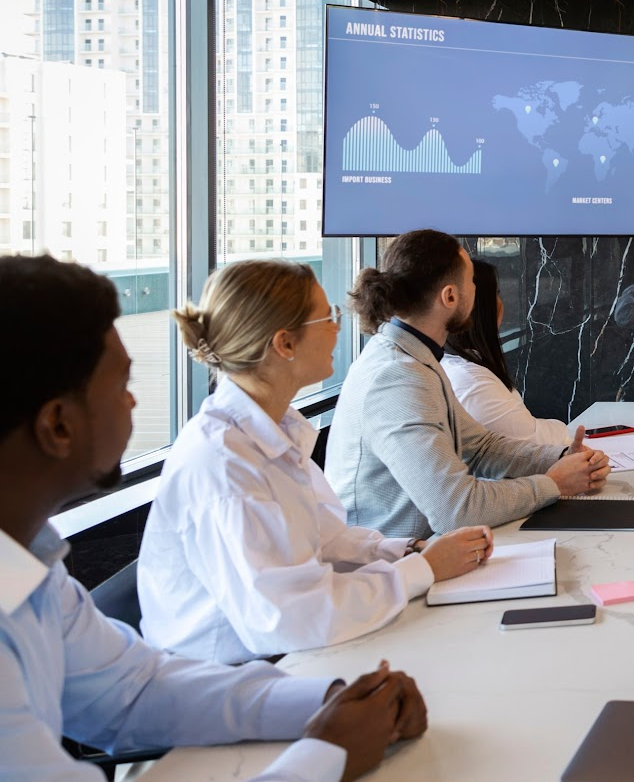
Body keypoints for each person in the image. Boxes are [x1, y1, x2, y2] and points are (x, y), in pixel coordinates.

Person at [0, 253, 427, 782]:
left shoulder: (32, 566)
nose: (134, 403)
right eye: (120, 385)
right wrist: (326, 755)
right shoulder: (219, 461)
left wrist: (328, 701)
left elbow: (134, 689)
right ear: (58, 427)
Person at [138, 259, 494, 666]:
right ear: (284, 344)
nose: (337, 327)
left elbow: (325, 539)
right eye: (328, 316)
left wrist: (408, 550)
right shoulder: (225, 464)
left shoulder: (276, 426)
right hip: (232, 676)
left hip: (286, 652)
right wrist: (422, 570)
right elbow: (292, 616)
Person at [325, 230, 609, 539]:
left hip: (422, 556)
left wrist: (560, 458)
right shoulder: (398, 377)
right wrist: (554, 484)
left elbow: (480, 447)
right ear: (450, 296)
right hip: (389, 571)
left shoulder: (415, 356)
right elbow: (456, 509)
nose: (478, 291)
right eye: (471, 280)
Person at [441, 259, 568, 445]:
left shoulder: (458, 367)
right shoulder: (472, 382)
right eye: (496, 293)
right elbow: (530, 440)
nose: (500, 302)